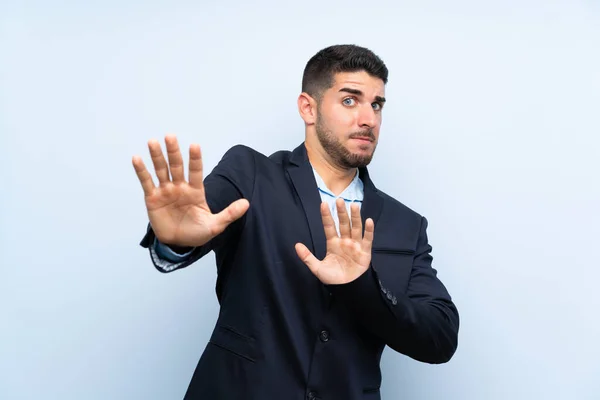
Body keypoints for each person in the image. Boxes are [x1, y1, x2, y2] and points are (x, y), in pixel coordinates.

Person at [132, 44, 459, 400]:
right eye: (350, 100)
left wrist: (363, 285)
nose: (368, 119)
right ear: (308, 107)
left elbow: (440, 337)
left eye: (376, 104)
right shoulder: (250, 174)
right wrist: (176, 242)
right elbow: (200, 221)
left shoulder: (404, 224)